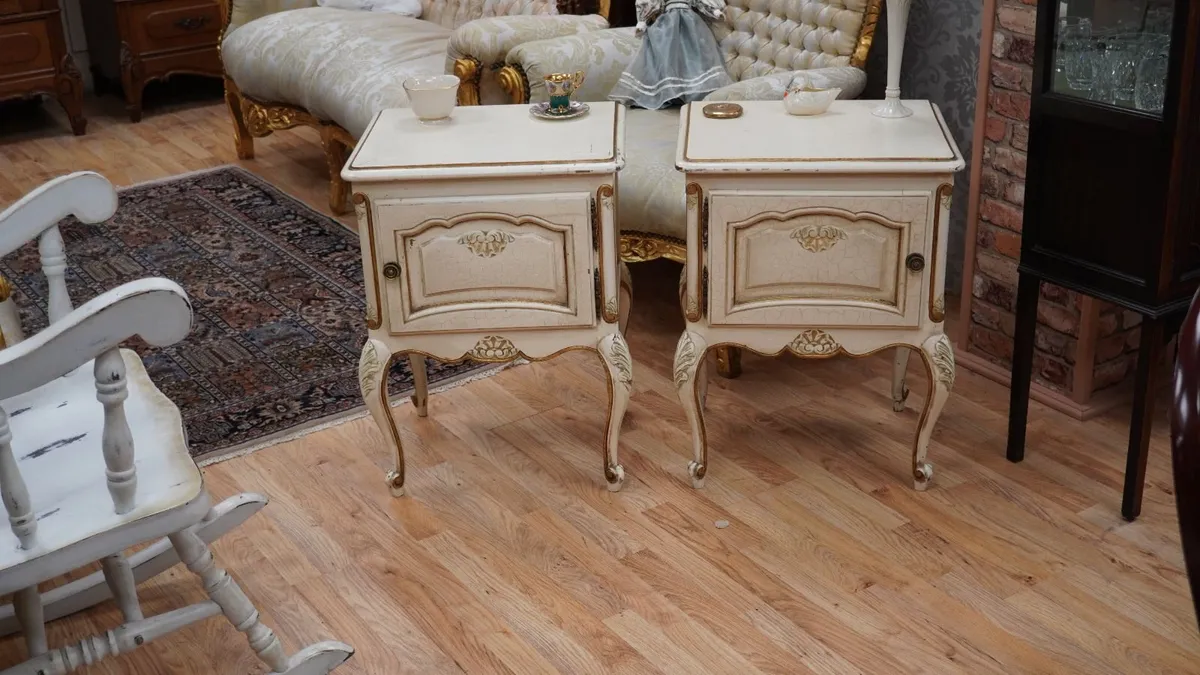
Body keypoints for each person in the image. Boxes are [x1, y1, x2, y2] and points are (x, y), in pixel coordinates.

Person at [608, 0, 732, 109]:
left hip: (691, 21)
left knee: (693, 55)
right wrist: (642, 22)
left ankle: (692, 91)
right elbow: (653, 3)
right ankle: (670, 93)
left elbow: (700, 1)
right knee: (666, 54)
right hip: (667, 23)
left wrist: (715, 11)